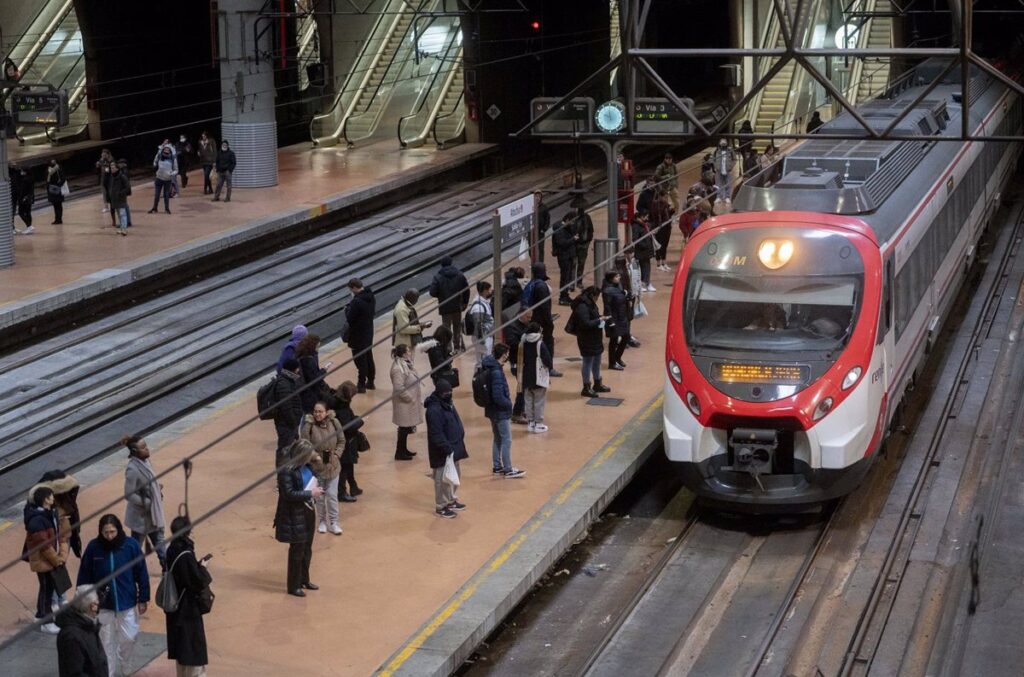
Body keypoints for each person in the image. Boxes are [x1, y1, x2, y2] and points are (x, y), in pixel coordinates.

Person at [77, 515, 150, 677]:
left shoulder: (131, 546)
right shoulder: (93, 548)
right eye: (106, 532)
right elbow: (84, 576)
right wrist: (85, 602)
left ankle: (125, 661)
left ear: (119, 530)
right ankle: (108, 672)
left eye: (112, 532)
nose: (109, 536)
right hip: (102, 606)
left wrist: (143, 598)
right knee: (105, 642)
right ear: (100, 531)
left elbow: (141, 573)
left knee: (130, 638)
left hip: (127, 602)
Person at [274, 439, 324, 597]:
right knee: (297, 550)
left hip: (308, 510)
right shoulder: (286, 471)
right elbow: (288, 494)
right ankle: (293, 585)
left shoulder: (308, 466)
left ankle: (304, 579)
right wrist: (310, 493)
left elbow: (316, 478)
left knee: (307, 548)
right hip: (294, 514)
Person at [163, 516, 211, 677]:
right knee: (193, 653)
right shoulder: (185, 554)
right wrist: (202, 568)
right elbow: (197, 581)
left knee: (182, 656)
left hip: (176, 607)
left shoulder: (171, 550)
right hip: (188, 609)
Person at [23, 485, 65, 634]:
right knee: (47, 590)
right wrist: (56, 560)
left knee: (46, 588)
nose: (53, 498)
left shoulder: (47, 514)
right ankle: (46, 621)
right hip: (44, 560)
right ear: (45, 499)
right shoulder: (37, 520)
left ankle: (40, 615)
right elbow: (44, 545)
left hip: (47, 559)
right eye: (51, 496)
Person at [122, 435, 167, 571]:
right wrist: (147, 502)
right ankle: (133, 573)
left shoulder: (146, 462)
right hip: (141, 519)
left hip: (154, 515)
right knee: (136, 550)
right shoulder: (133, 470)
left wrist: (156, 489)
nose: (147, 449)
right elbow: (129, 494)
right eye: (143, 448)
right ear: (135, 452)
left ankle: (168, 569)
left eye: (146, 446)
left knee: (160, 544)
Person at [424, 378, 467, 518]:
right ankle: (441, 505)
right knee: (441, 479)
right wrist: (447, 448)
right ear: (440, 393)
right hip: (442, 452)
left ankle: (450, 500)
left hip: (453, 448)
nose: (449, 394)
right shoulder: (433, 410)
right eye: (447, 392)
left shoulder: (448, 404)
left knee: (454, 477)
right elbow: (436, 433)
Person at [480, 344, 525, 478]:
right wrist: (508, 405)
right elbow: (498, 395)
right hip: (500, 411)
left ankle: (497, 466)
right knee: (506, 440)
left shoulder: (489, 366)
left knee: (498, 438)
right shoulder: (496, 372)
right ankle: (508, 468)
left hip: (491, 410)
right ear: (504, 354)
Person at [300, 401, 345, 534]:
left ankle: (334, 522)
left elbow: (341, 441)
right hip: (317, 469)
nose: (317, 414)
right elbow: (304, 445)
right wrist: (315, 456)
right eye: (315, 411)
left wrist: (336, 455)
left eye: (320, 411)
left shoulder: (334, 423)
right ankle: (322, 521)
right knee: (319, 497)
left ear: (326, 412)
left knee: (332, 495)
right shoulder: (308, 426)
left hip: (333, 467)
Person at [391, 342, 433, 460]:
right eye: (408, 351)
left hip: (408, 403)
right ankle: (399, 452)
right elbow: (398, 387)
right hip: (404, 403)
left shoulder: (405, 364)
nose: (410, 353)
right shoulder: (398, 369)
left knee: (405, 428)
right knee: (403, 428)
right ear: (404, 354)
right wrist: (409, 397)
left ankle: (403, 449)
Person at [56, 584, 108, 677]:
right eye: (97, 603)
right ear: (92, 606)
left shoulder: (88, 625)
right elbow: (75, 673)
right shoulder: (72, 637)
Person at [572, 286, 611, 398]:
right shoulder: (582, 306)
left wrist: (599, 317)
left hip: (595, 337)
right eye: (596, 296)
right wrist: (599, 320)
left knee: (597, 360)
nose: (597, 298)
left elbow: (591, 317)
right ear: (591, 295)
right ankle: (586, 387)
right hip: (587, 339)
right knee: (587, 362)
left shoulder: (590, 303)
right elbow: (585, 323)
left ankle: (597, 383)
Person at [524, 262, 560, 375]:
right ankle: (549, 368)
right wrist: (549, 322)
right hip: (542, 321)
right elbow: (545, 307)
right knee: (547, 344)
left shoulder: (531, 284)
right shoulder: (542, 286)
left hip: (533, 319)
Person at [429, 256, 471, 352]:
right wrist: (465, 302)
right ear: (451, 263)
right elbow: (466, 290)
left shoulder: (438, 277)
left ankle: (448, 348)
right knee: (457, 326)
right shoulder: (459, 275)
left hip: (445, 307)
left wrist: (440, 295)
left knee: (446, 328)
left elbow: (432, 292)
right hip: (457, 306)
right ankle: (457, 347)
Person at [517, 321, 552, 433]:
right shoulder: (540, 344)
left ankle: (530, 422)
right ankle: (538, 423)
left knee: (528, 400)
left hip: (525, 376)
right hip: (538, 377)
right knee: (539, 400)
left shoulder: (523, 342)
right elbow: (547, 360)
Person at [334, 381, 365, 499]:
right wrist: (360, 420)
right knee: (344, 466)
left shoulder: (339, 403)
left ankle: (353, 486)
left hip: (347, 441)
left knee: (348, 465)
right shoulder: (341, 408)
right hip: (345, 441)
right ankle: (342, 492)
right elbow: (347, 426)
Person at [345, 278, 377, 392]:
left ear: (354, 288)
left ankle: (361, 384)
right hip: (368, 332)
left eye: (350, 289)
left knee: (360, 360)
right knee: (368, 356)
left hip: (357, 335)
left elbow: (350, 318)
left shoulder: (356, 301)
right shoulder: (370, 296)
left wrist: (347, 309)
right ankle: (371, 381)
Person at [272, 358, 305, 463]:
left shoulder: (288, 380)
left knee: (288, 448)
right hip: (286, 424)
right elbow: (286, 407)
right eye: (297, 368)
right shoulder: (284, 384)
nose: (299, 370)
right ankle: (283, 474)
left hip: (289, 423)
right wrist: (294, 422)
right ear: (293, 369)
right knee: (284, 449)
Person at [504, 309, 530, 423]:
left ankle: (521, 409)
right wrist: (525, 340)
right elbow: (512, 343)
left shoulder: (527, 325)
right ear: (520, 315)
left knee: (525, 387)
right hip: (517, 363)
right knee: (522, 387)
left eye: (530, 317)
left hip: (526, 361)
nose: (529, 319)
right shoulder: (512, 327)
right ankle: (517, 412)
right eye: (527, 317)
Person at [295, 333, 331, 414]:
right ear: (312, 346)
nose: (318, 349)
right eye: (317, 346)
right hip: (311, 394)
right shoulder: (309, 361)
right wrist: (324, 370)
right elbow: (315, 379)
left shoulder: (301, 356)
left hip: (304, 393)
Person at [603, 271, 630, 370]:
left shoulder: (618, 287)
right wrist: (610, 321)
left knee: (626, 337)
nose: (619, 277)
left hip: (621, 317)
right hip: (614, 318)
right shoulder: (607, 291)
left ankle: (617, 357)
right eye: (617, 276)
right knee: (613, 341)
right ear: (611, 278)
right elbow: (607, 307)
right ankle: (612, 362)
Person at [467, 280, 495, 366]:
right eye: (490, 290)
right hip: (482, 338)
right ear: (485, 291)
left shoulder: (484, 302)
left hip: (486, 335)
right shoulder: (478, 306)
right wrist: (482, 340)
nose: (491, 291)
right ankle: (480, 377)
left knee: (483, 360)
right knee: (482, 362)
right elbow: (477, 324)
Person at [552, 213, 577, 305]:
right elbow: (562, 243)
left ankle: (565, 295)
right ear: (567, 220)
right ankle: (562, 297)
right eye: (572, 221)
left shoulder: (568, 228)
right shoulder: (559, 230)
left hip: (569, 255)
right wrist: (573, 239)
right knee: (564, 277)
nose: (573, 223)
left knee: (567, 277)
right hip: (564, 256)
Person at [630, 210, 656, 292]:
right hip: (642, 251)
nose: (647, 218)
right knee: (643, 268)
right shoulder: (636, 226)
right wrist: (644, 245)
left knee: (647, 267)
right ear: (641, 217)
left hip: (646, 251)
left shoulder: (644, 225)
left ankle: (647, 283)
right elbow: (635, 239)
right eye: (646, 216)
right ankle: (643, 283)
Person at [650, 189, 674, 272]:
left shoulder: (666, 204)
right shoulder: (655, 204)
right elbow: (655, 214)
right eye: (664, 197)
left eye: (666, 197)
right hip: (659, 227)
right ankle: (658, 263)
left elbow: (668, 214)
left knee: (665, 245)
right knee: (659, 245)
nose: (665, 198)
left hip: (667, 227)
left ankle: (664, 262)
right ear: (660, 196)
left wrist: (671, 210)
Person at [149, 145, 176, 214]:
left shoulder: (172, 159)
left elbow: (176, 169)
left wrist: (171, 173)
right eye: (165, 150)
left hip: (167, 180)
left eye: (167, 151)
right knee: (157, 195)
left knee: (166, 195)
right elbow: (154, 162)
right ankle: (155, 208)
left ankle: (167, 209)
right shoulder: (159, 156)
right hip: (159, 178)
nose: (166, 152)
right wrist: (155, 166)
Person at [108, 161, 131, 236]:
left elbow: (127, 187)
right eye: (111, 168)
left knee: (122, 213)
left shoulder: (122, 177)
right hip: (114, 198)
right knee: (118, 214)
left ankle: (124, 229)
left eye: (113, 168)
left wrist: (121, 193)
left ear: (117, 168)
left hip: (120, 198)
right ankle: (121, 228)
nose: (112, 169)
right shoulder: (111, 176)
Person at [573, 208, 595, 290]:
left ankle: (579, 282)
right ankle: (571, 283)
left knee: (581, 264)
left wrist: (587, 242)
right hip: (575, 244)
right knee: (573, 264)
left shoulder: (587, 217)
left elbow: (591, 230)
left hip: (584, 244)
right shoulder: (573, 217)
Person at [11, 166, 34, 234]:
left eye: (22, 171)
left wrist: (20, 198)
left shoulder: (24, 180)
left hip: (24, 199)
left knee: (21, 212)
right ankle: (29, 227)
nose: (21, 172)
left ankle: (29, 226)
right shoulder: (30, 178)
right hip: (29, 198)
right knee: (28, 212)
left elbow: (22, 190)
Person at [96, 149, 114, 213]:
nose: (103, 156)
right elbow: (99, 170)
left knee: (110, 193)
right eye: (102, 155)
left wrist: (104, 165)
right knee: (104, 193)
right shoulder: (101, 160)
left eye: (104, 155)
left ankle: (113, 205)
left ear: (108, 155)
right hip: (103, 179)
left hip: (109, 180)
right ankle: (106, 206)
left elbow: (108, 171)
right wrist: (98, 166)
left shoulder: (111, 160)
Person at [533, 191, 549, 261]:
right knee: (532, 248)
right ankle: (534, 262)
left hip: (540, 231)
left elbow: (547, 218)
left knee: (540, 247)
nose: (537, 198)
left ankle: (541, 263)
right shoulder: (531, 206)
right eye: (536, 196)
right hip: (532, 231)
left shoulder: (544, 207)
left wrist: (544, 229)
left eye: (539, 196)